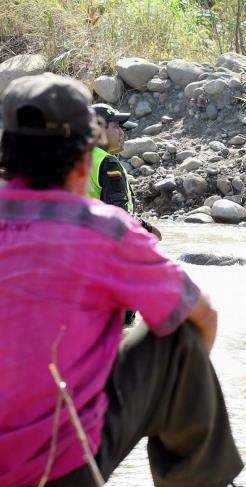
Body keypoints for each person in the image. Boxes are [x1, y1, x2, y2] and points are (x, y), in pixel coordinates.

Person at [0, 74, 246, 487]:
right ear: (84, 157)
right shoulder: (100, 228)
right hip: (44, 477)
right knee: (179, 336)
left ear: (2, 154)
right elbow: (203, 318)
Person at [91, 103, 161, 325]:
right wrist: (148, 230)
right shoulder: (106, 162)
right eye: (117, 127)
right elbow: (119, 216)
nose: (123, 133)